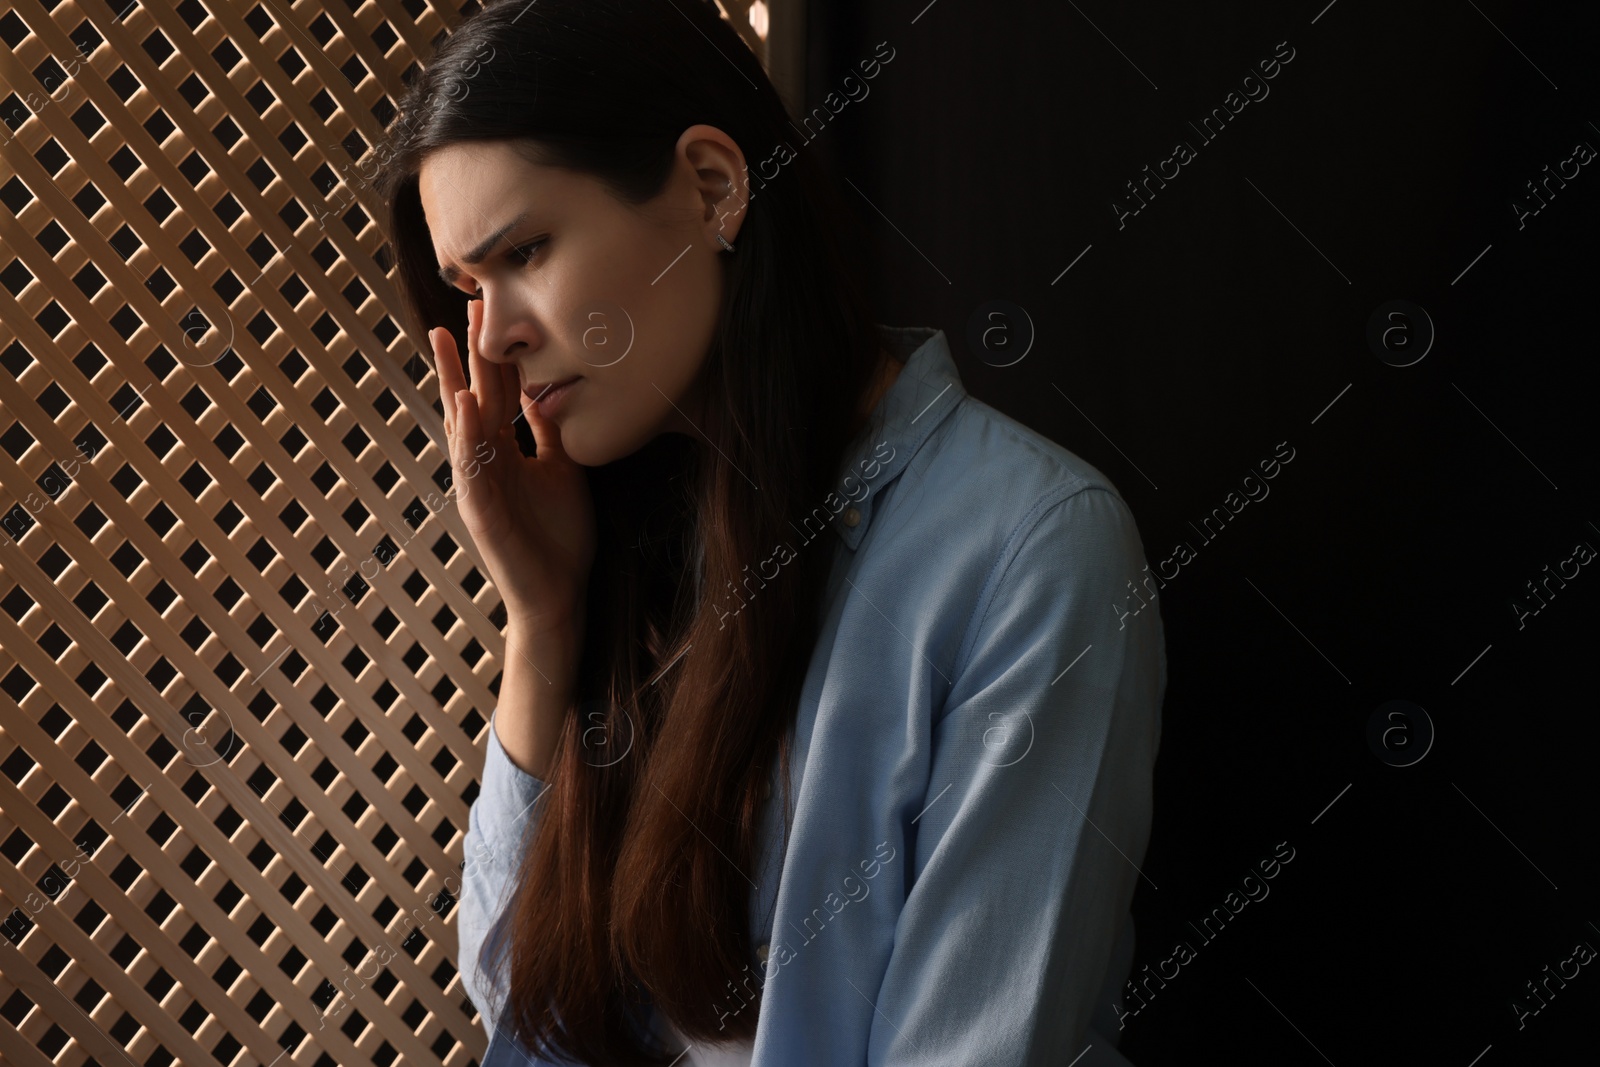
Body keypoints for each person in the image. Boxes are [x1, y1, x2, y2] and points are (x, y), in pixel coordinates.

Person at [373, 1, 1167, 1063]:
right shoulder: (642, 550)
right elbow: (526, 1006)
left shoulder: (1029, 551)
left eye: (526, 249)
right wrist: (542, 623)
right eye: (469, 288)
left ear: (712, 186)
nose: (498, 334)